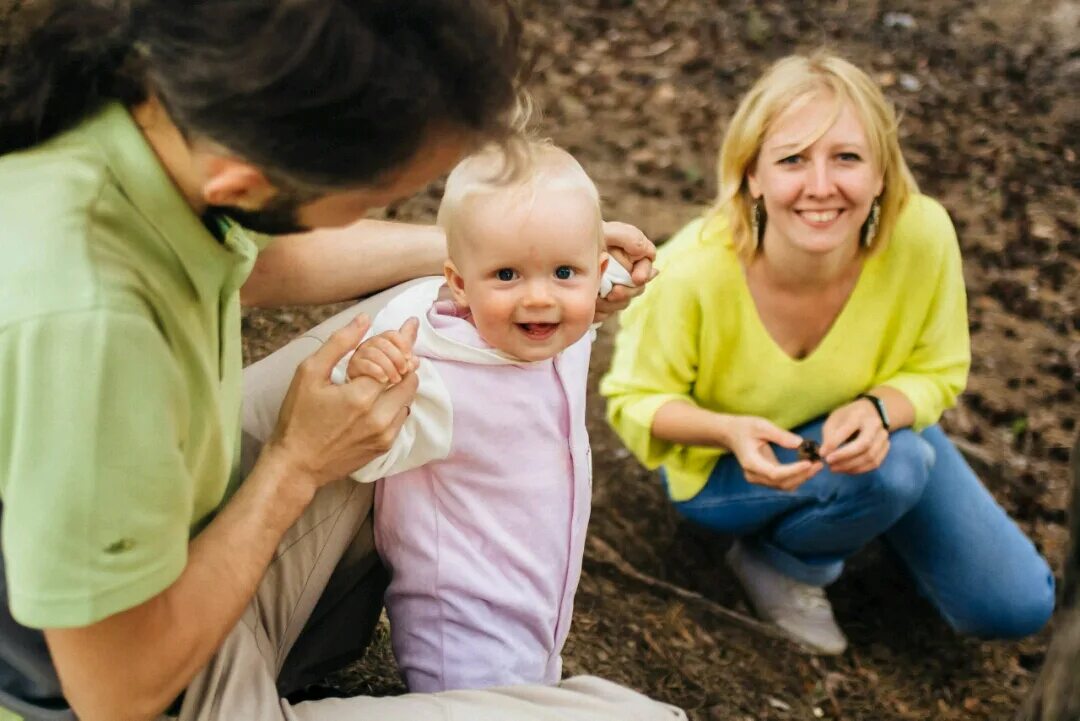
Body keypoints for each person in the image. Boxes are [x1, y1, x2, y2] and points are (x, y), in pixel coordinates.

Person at [0, 2, 683, 720]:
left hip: (162, 534)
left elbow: (268, 257)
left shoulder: (150, 111)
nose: (388, 207)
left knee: (430, 315)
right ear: (244, 182)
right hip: (123, 677)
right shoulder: (90, 328)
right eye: (379, 196)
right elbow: (117, 692)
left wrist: (508, 257)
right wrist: (294, 465)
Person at [601, 51, 1055, 656]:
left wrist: (882, 407)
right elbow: (633, 400)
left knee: (1016, 603)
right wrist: (728, 431)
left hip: (869, 436)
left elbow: (939, 367)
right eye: (792, 160)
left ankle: (864, 509)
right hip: (727, 471)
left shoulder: (922, 236)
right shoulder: (692, 273)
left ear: (882, 173)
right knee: (899, 468)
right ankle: (783, 563)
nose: (821, 187)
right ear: (752, 175)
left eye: (846, 157)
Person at [334, 143, 632, 692]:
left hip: (538, 602)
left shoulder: (553, 335)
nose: (539, 299)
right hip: (462, 627)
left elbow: (593, 292)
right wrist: (366, 377)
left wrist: (610, 278)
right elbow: (363, 448)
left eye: (564, 272)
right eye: (507, 275)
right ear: (459, 284)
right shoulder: (442, 374)